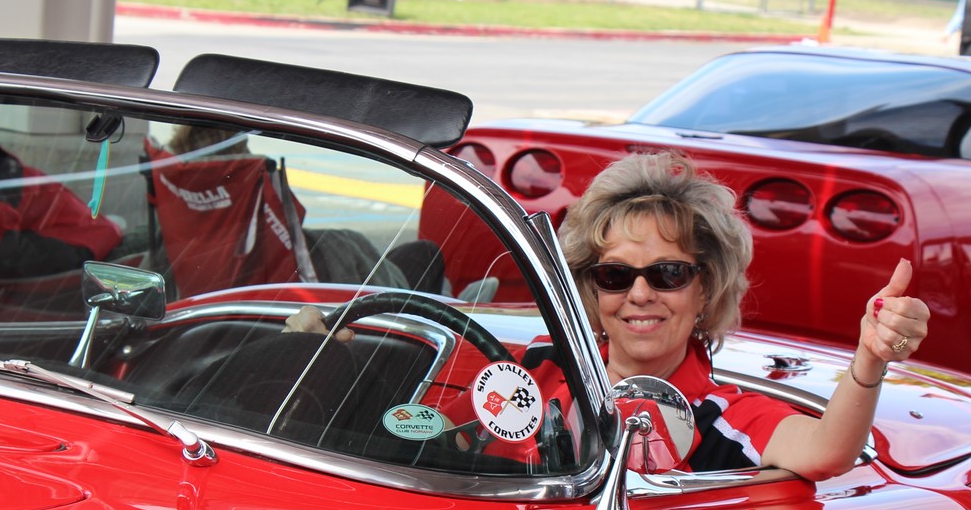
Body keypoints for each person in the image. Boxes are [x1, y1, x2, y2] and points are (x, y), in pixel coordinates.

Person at [290, 153, 930, 479]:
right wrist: (340, 343)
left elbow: (825, 452)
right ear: (590, 289)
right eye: (616, 275)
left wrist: (869, 359)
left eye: (670, 273)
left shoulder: (723, 415)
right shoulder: (537, 371)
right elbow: (430, 444)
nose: (641, 294)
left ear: (706, 291)